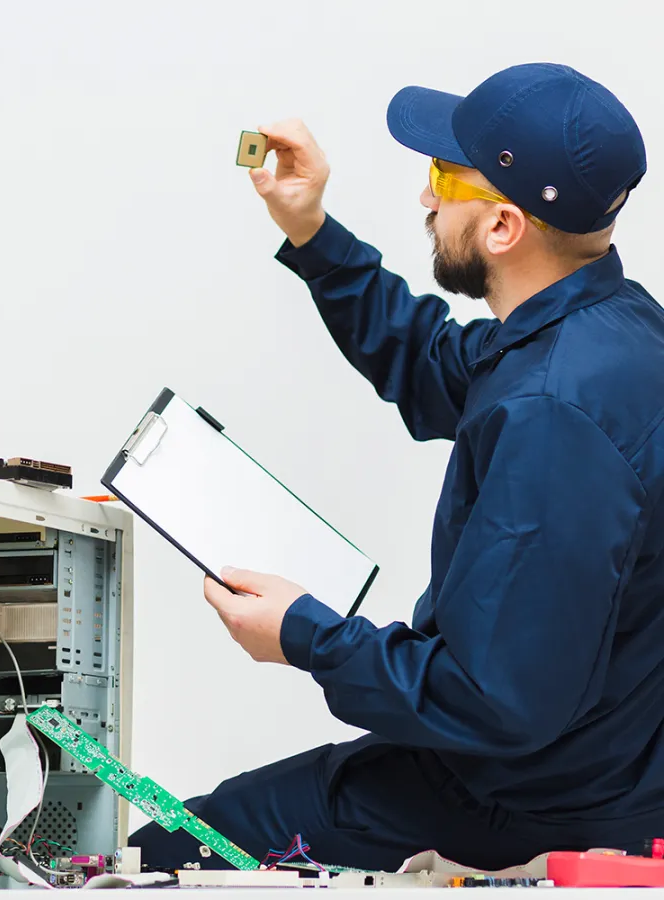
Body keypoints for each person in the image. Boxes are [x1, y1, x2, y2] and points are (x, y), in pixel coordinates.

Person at [130, 63, 664, 872]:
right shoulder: (604, 330)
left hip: (524, 795)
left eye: (443, 179)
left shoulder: (556, 414)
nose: (426, 200)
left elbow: (494, 700)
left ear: (502, 228)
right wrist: (311, 229)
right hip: (573, 762)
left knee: (171, 853)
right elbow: (434, 362)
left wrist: (304, 636)